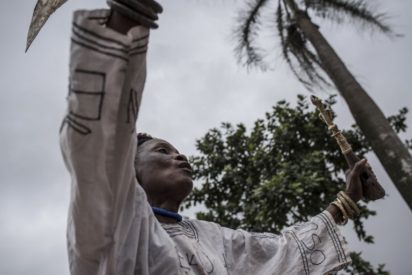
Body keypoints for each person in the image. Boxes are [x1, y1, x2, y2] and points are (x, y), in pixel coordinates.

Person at [60, 1, 372, 274]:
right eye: (162, 151)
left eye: (177, 151)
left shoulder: (214, 239)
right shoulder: (115, 217)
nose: (179, 157)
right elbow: (104, 140)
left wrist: (347, 200)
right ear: (130, 168)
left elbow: (282, 251)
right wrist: (125, 22)